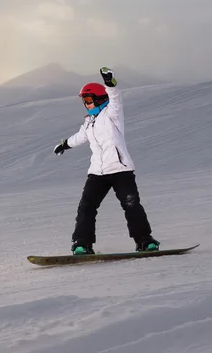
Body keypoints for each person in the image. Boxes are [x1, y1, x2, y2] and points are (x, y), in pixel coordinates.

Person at [53, 67, 160, 255]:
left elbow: (116, 97)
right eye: (84, 101)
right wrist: (65, 144)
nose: (86, 104)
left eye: (88, 99)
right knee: (86, 207)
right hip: (97, 173)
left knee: (131, 204)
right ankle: (82, 244)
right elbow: (80, 137)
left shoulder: (112, 115)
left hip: (120, 170)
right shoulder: (89, 121)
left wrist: (110, 83)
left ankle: (145, 241)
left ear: (99, 98)